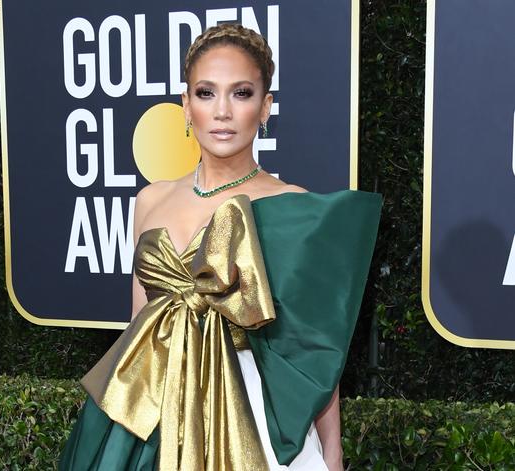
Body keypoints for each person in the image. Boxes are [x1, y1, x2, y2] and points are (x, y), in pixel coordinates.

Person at [59, 24, 382, 471]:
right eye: (207, 93)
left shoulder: (292, 206)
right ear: (186, 106)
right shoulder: (149, 200)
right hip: (154, 409)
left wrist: (332, 451)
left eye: (242, 93)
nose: (223, 111)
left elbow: (311, 351)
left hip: (249, 412)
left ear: (265, 107)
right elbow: (137, 325)